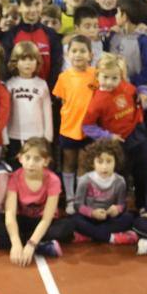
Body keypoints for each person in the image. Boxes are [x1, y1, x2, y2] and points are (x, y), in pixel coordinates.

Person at [0, 137, 73, 263]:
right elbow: (10, 214)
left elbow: (46, 219)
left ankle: (9, 241)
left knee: (68, 226)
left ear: (46, 161)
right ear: (20, 158)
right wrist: (16, 244)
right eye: (27, 158)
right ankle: (43, 246)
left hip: (41, 222)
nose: (31, 163)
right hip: (21, 221)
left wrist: (31, 244)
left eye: (37, 159)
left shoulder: (53, 180)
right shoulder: (14, 178)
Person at [83, 53, 147, 209]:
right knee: (121, 179)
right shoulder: (96, 101)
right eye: (105, 77)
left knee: (143, 175)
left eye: (114, 78)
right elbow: (87, 127)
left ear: (120, 77)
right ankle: (120, 210)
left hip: (138, 135)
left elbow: (139, 88)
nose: (110, 82)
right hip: (118, 143)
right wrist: (107, 136)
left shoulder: (126, 86)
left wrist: (143, 93)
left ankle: (143, 207)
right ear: (97, 75)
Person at [53, 35, 95, 214]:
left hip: (90, 130)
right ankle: (69, 198)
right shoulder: (63, 77)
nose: (78, 55)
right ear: (68, 55)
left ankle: (80, 199)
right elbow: (63, 101)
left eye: (82, 51)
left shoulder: (96, 75)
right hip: (69, 128)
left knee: (84, 164)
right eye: (74, 51)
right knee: (69, 162)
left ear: (90, 55)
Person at [71, 139, 137, 245]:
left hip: (108, 218)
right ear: (93, 163)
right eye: (100, 161)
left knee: (128, 218)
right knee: (74, 220)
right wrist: (92, 213)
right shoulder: (85, 180)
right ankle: (110, 238)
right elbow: (78, 205)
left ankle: (90, 235)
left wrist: (117, 209)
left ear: (116, 162)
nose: (104, 167)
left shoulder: (119, 181)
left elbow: (121, 204)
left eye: (109, 161)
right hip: (90, 218)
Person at [2, 0, 63, 88]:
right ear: (19, 7)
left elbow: (56, 68)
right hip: (16, 96)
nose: (33, 10)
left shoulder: (51, 35)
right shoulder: (10, 36)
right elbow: (6, 70)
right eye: (28, 5)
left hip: (45, 96)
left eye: (37, 4)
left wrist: (50, 94)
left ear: (42, 4)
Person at [4, 41, 52, 163]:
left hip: (37, 136)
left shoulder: (42, 84)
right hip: (15, 135)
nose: (28, 63)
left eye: (32, 59)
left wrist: (48, 136)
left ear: (37, 62)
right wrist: (4, 136)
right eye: (23, 59)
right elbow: (5, 113)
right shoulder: (10, 84)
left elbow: (47, 111)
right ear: (16, 62)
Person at [108, 0, 147, 91]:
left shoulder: (143, 40)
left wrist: (130, 81)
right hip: (112, 87)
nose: (115, 16)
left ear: (124, 16)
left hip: (133, 89)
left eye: (117, 12)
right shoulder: (113, 36)